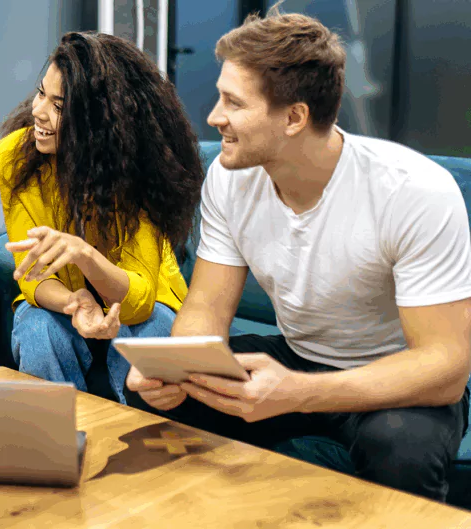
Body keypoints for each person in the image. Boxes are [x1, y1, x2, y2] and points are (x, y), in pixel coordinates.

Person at [125, 8, 471, 502]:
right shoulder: (230, 177)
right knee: (149, 397)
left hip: (394, 380)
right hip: (296, 359)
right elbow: (205, 308)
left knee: (400, 448)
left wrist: (298, 393)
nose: (213, 116)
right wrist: (178, 372)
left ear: (294, 117)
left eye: (232, 102)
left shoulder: (413, 193)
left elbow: (444, 367)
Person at [0, 31, 204, 404]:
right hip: (69, 307)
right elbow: (33, 277)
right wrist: (76, 302)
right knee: (37, 326)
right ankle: (55, 440)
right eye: (41, 93)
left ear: (100, 122)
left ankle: (141, 447)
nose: (38, 111)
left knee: (156, 327)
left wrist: (84, 256)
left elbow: (140, 302)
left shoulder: (141, 172)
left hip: (140, 307)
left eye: (59, 106)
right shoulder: (14, 158)